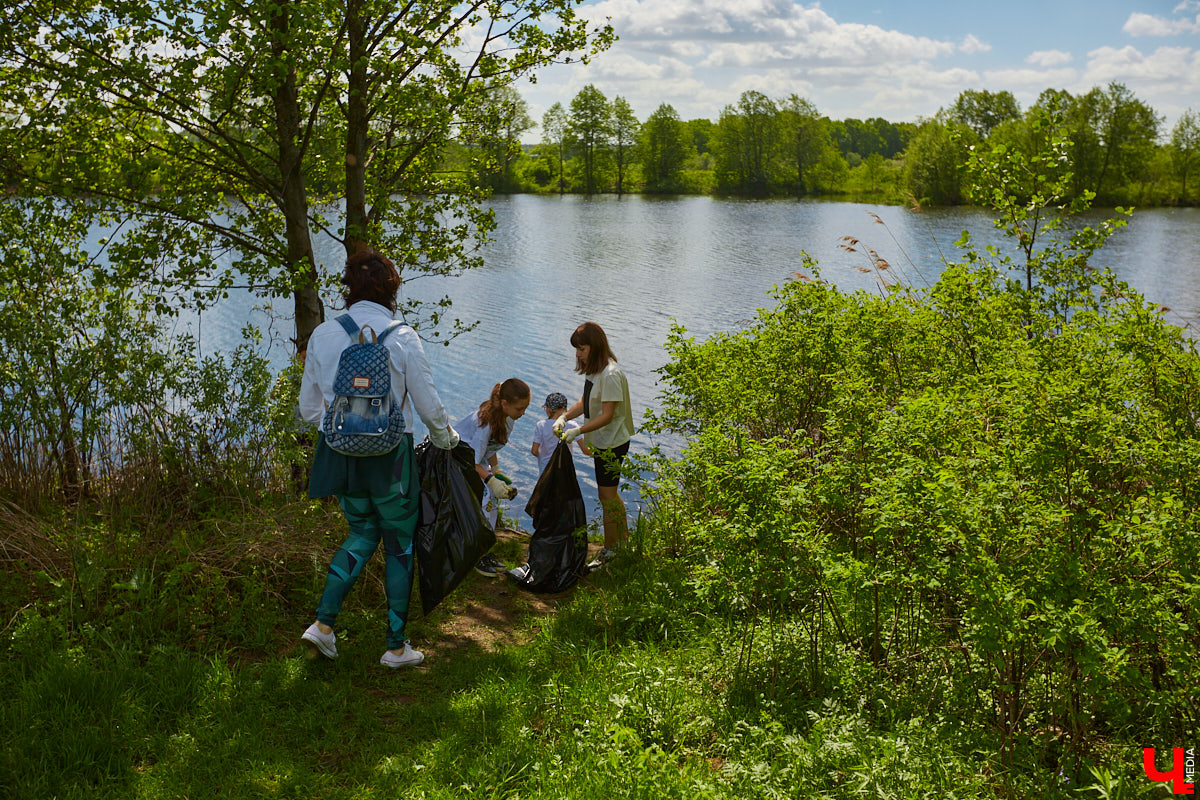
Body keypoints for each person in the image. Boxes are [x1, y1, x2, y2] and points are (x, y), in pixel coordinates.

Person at [298, 248, 459, 669]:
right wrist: (446, 439)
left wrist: (346, 430)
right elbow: (428, 405)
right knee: (399, 546)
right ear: (392, 290)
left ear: (348, 289)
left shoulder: (323, 334)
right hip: (393, 459)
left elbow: (309, 409)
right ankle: (396, 648)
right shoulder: (403, 336)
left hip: (341, 455)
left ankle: (323, 626)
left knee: (362, 533)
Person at [553, 322, 635, 570]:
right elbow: (586, 401)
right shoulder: (595, 371)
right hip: (602, 441)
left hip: (613, 442)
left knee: (607, 496)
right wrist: (565, 417)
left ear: (595, 347)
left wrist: (578, 431)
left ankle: (611, 550)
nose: (578, 354)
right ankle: (622, 545)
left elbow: (608, 415)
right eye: (577, 349)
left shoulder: (610, 374)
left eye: (582, 349)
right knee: (608, 495)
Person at [456, 378, 532, 577]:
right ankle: (474, 556)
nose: (523, 413)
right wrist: (490, 480)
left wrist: (496, 469)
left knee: (491, 504)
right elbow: (471, 461)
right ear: (505, 403)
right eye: (520, 408)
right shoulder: (485, 423)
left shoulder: (508, 418)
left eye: (525, 408)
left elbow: (491, 447)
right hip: (457, 460)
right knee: (482, 505)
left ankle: (484, 550)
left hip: (476, 461)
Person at [530, 391, 591, 475]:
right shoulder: (572, 425)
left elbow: (534, 451)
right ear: (565, 409)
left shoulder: (541, 425)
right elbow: (586, 451)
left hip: (545, 471)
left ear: (547, 408)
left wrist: (544, 456)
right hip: (564, 471)